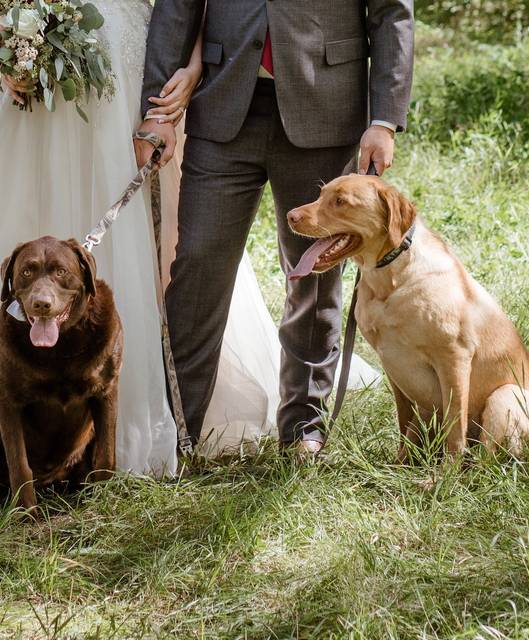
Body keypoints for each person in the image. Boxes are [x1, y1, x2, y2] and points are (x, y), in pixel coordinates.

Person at [0, 0, 380, 474]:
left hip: (126, 58)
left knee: (181, 260)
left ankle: (162, 417)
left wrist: (190, 68)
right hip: (28, 74)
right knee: (11, 220)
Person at [137, 0, 413, 456]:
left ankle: (304, 425)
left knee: (314, 276)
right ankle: (178, 427)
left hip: (327, 108)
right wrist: (158, 114)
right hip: (222, 104)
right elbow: (176, 9)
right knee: (198, 263)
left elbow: (391, 14)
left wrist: (383, 120)